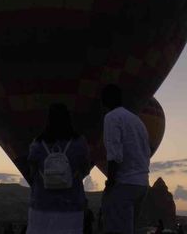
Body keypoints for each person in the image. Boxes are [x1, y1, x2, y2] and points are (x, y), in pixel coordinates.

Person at [26, 103, 91, 234]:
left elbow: (32, 173)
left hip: (42, 204)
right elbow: (85, 169)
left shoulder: (37, 144)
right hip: (71, 205)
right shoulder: (79, 143)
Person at [101, 85, 150, 234]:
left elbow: (115, 154)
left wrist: (110, 183)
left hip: (124, 183)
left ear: (108, 99)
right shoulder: (137, 120)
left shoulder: (112, 117)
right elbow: (146, 150)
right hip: (142, 184)